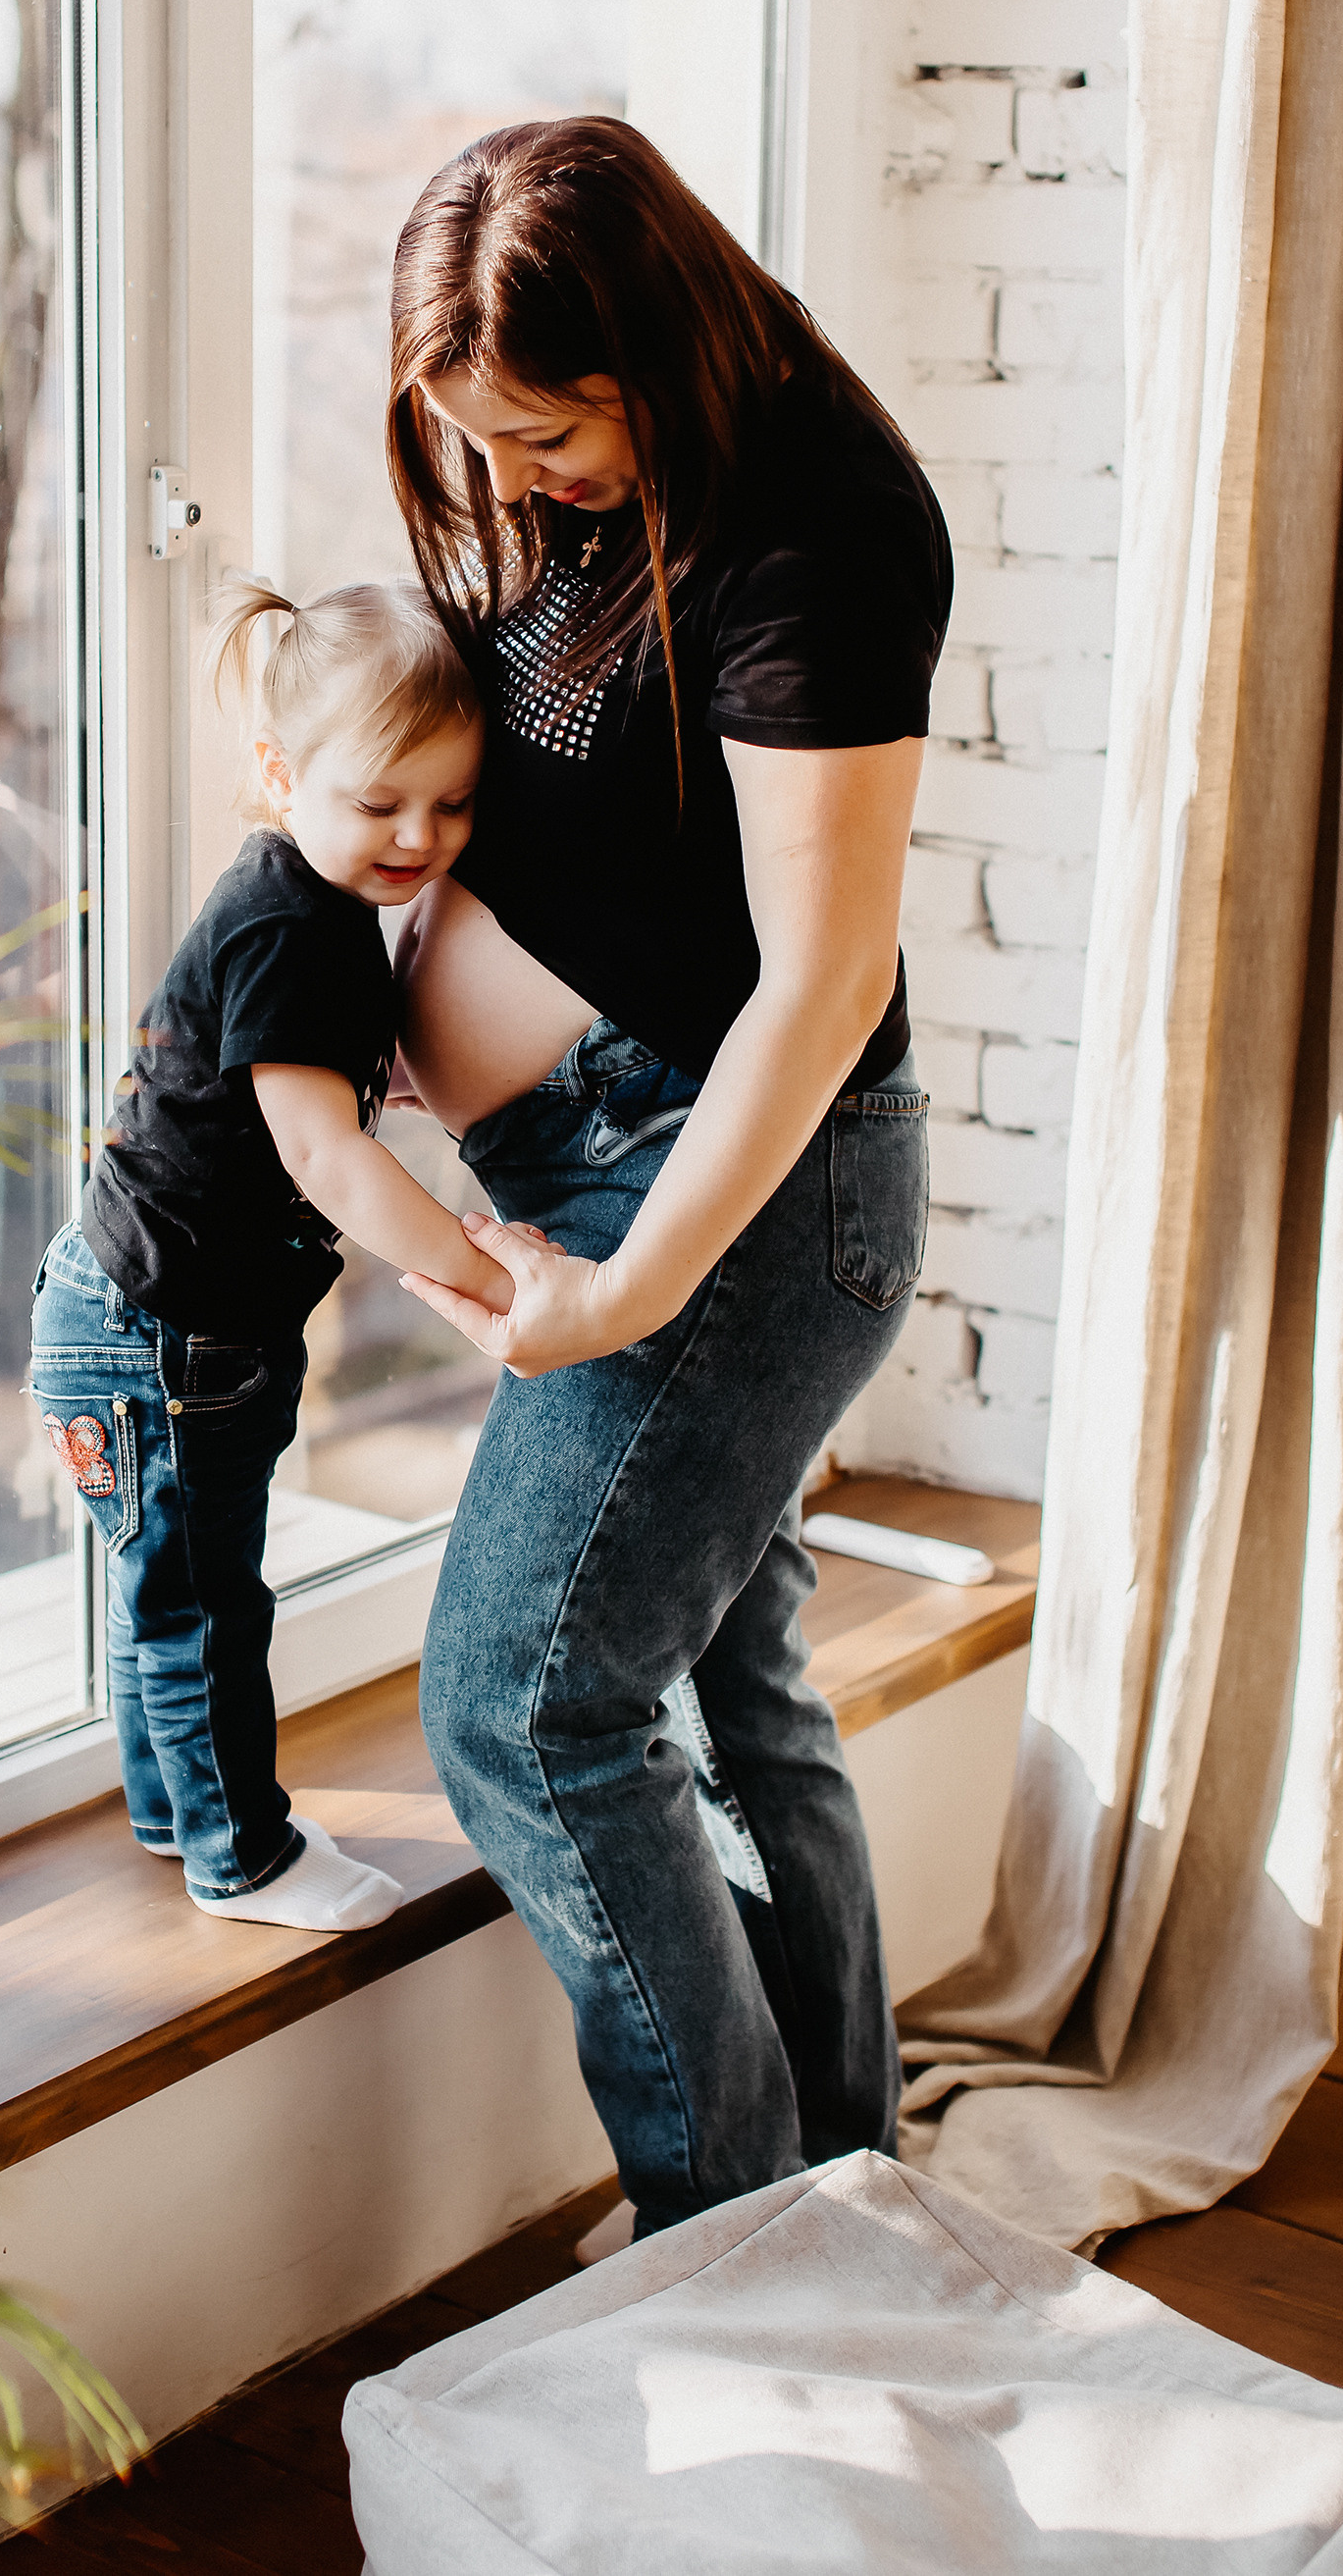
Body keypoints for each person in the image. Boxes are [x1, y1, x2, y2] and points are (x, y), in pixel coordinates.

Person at [385, 117, 950, 2241]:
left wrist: (624, 1294)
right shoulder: (593, 485)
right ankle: (834, 2198)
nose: (518, 481)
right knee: (729, 1677)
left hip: (734, 1200)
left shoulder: (818, 534)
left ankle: (727, 2247)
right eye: (481, 441)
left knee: (524, 1706)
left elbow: (823, 982)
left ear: (659, 359)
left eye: (547, 434)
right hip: (625, 1160)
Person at [31, 581, 543, 1931]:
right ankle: (241, 1855)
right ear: (278, 774)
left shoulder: (308, 910)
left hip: (142, 1317)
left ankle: (174, 1815)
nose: (419, 836)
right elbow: (326, 1158)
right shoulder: (287, 928)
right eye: (380, 803)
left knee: (168, 1593)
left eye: (452, 803)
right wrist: (488, 1274)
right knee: (203, 1607)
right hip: (161, 1334)